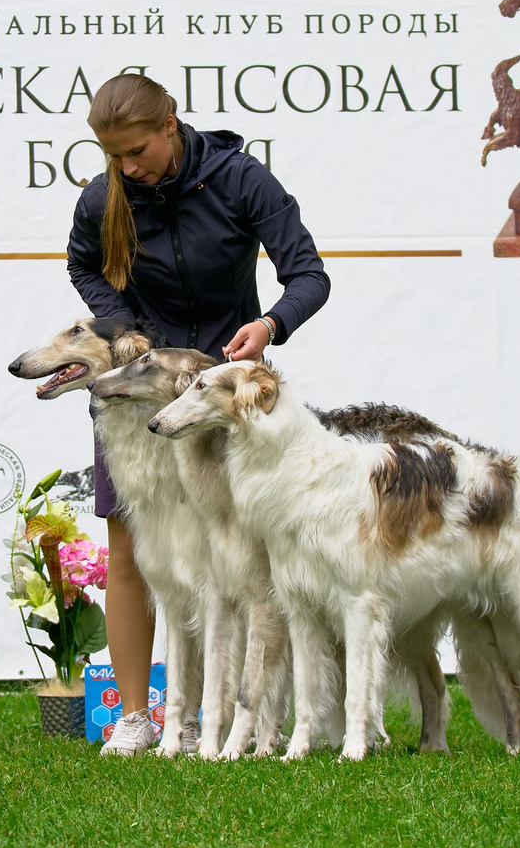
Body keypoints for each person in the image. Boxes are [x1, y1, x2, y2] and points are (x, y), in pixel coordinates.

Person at [66, 72, 330, 755]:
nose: (126, 167)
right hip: (140, 392)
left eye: (137, 152)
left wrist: (269, 325)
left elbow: (309, 274)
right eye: (114, 156)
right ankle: (137, 717)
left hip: (221, 399)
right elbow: (84, 269)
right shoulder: (104, 196)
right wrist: (127, 326)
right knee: (128, 547)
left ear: (169, 126)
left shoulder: (240, 180)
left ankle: (243, 716)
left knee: (236, 556)